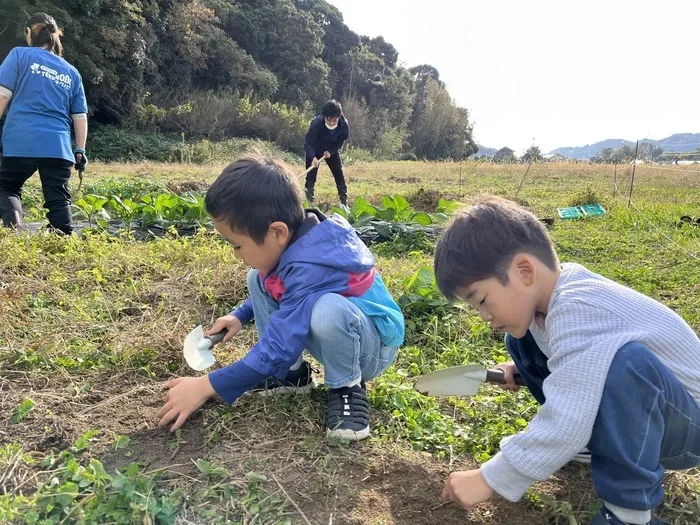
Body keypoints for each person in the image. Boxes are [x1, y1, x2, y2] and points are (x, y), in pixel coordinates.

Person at [433, 196, 700, 525]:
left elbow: (568, 415)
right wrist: (520, 369)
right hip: (659, 415)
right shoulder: (552, 298)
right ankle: (598, 446)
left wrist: (490, 477)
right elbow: (573, 364)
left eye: (482, 301)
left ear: (524, 271)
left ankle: (630, 514)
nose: (484, 316)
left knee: (625, 363)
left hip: (686, 429)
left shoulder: (581, 308)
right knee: (521, 341)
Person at [157, 156, 404, 440]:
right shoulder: (298, 241)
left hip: (372, 349)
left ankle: (347, 388)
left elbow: (278, 346)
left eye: (237, 245)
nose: (235, 253)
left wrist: (207, 385)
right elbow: (288, 295)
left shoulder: (312, 267)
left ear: (277, 232)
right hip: (348, 332)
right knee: (258, 277)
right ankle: (291, 375)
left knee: (328, 309)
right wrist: (240, 315)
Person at [0, 12, 88, 235]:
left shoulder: (19, 55)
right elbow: (80, 117)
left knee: (7, 186)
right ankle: (63, 237)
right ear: (56, 36)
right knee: (58, 198)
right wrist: (80, 150)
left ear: (29, 32)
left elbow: (2, 96)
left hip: (21, 140)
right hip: (58, 146)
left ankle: (14, 233)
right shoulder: (72, 72)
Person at [304, 99, 349, 206]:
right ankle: (308, 202)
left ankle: (344, 203)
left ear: (339, 117)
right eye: (328, 120)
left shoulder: (344, 125)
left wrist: (331, 151)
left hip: (330, 151)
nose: (331, 123)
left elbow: (341, 141)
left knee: (338, 173)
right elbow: (308, 144)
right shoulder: (316, 124)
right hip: (314, 150)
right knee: (311, 175)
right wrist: (313, 157)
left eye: (334, 120)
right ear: (324, 116)